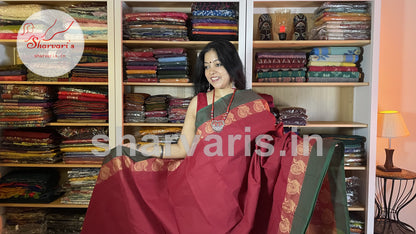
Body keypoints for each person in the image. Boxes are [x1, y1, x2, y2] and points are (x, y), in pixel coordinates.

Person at [82, 40, 350, 234]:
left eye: (218, 63)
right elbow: (183, 148)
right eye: (207, 65)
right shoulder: (197, 102)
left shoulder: (253, 101)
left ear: (231, 64)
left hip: (235, 192)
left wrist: (307, 147)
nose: (212, 71)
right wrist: (149, 150)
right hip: (195, 187)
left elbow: (271, 144)